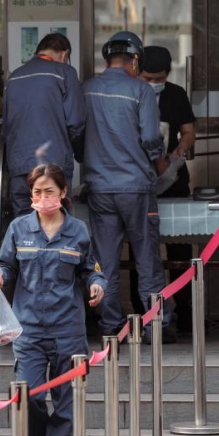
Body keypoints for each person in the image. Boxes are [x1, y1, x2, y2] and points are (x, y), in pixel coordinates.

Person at [0, 163, 105, 436]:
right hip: (29, 329)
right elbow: (7, 263)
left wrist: (97, 285)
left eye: (49, 191)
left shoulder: (78, 231)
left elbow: (91, 269)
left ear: (63, 193)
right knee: (28, 396)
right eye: (37, 192)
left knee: (66, 400)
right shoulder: (19, 228)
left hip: (68, 329)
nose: (42, 197)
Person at [81, 31, 172, 340]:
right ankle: (153, 326)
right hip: (136, 189)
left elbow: (77, 134)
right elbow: (149, 137)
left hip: (100, 188)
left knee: (105, 262)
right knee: (147, 259)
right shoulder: (140, 91)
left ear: (106, 59)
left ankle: (110, 326)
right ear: (135, 60)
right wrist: (158, 158)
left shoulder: (88, 89)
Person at [129, 45, 197, 335]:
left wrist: (181, 149)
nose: (153, 84)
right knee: (140, 251)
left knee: (180, 250)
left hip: (172, 181)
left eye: (159, 79)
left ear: (168, 75)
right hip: (136, 181)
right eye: (147, 78)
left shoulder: (176, 94)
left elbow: (189, 131)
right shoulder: (127, 92)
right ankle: (141, 315)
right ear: (135, 70)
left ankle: (186, 314)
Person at [2, 33, 85, 216]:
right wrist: (79, 152)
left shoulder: (14, 78)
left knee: (25, 230)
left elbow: (5, 127)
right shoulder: (65, 73)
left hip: (19, 168)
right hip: (52, 167)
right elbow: (76, 122)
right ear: (65, 55)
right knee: (54, 229)